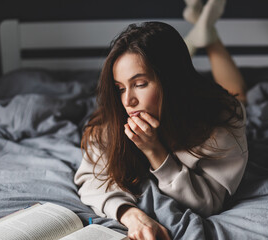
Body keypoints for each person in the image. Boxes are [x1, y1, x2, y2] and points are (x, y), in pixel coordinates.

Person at [74, 0, 248, 239]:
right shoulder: (114, 118)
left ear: (171, 83)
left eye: (140, 84)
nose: (128, 101)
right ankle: (201, 31)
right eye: (120, 88)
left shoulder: (222, 124)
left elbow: (209, 203)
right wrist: (131, 215)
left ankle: (209, 37)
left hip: (208, 103)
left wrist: (155, 151)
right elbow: (92, 180)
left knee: (239, 95)